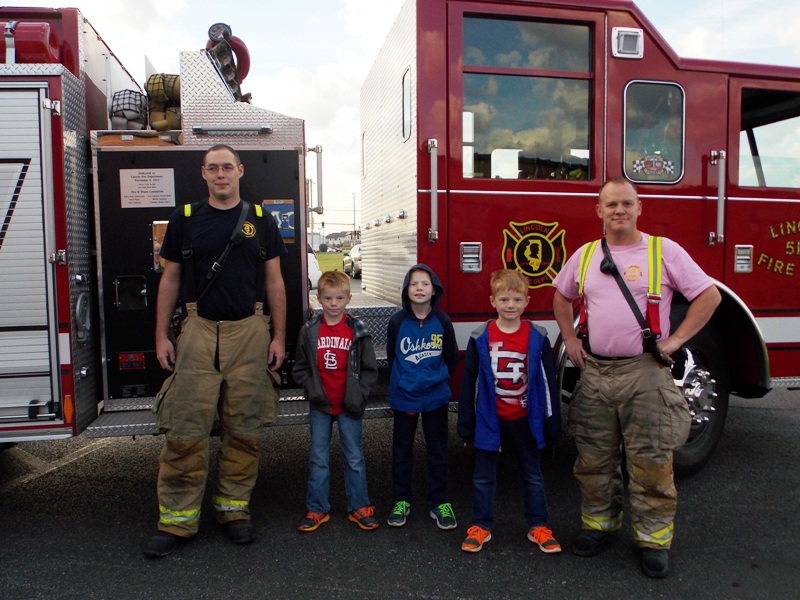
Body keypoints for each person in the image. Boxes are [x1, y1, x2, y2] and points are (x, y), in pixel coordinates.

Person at [552, 177, 721, 578]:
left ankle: (653, 540)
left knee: (651, 460)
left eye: (626, 203)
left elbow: (709, 296)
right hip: (595, 373)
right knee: (593, 457)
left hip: (644, 373)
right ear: (599, 210)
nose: (619, 211)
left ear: (639, 207)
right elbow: (561, 295)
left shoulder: (665, 252)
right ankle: (598, 524)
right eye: (611, 204)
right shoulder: (586, 255)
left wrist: (676, 340)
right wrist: (570, 339)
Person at [144, 144, 287, 558]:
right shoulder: (185, 219)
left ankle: (233, 510)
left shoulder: (261, 220)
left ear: (240, 171)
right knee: (185, 431)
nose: (220, 174)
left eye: (227, 167)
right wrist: (161, 335)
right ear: (203, 173)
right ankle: (176, 521)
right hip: (199, 331)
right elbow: (170, 280)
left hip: (250, 332)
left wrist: (278, 337)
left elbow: (274, 281)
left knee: (244, 431)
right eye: (213, 168)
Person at [457, 269, 562, 554]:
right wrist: (466, 424)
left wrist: (552, 423)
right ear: (493, 301)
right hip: (490, 418)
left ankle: (538, 525)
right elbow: (469, 383)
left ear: (527, 302)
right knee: (483, 476)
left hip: (525, 419)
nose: (511, 305)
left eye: (517, 299)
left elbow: (547, 384)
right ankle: (481, 525)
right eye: (504, 299)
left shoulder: (537, 337)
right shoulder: (480, 337)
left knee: (532, 474)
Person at [292, 270, 379, 532]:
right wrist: (311, 389)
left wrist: (360, 394)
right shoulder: (309, 330)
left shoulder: (357, 330)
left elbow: (369, 368)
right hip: (321, 404)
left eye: (339, 298)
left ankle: (359, 506)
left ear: (348, 299)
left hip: (349, 405)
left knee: (354, 457)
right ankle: (317, 508)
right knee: (318, 458)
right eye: (328, 298)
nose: (333, 303)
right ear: (318, 298)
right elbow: (300, 368)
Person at [386, 264, 459, 529]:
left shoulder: (443, 321)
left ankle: (439, 502)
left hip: (435, 397)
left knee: (438, 451)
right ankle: (401, 500)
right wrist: (404, 381)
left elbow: (451, 357)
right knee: (402, 451)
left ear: (434, 290)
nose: (419, 288)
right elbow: (393, 357)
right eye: (414, 283)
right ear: (406, 290)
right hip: (405, 397)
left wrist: (436, 379)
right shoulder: (396, 322)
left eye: (425, 284)